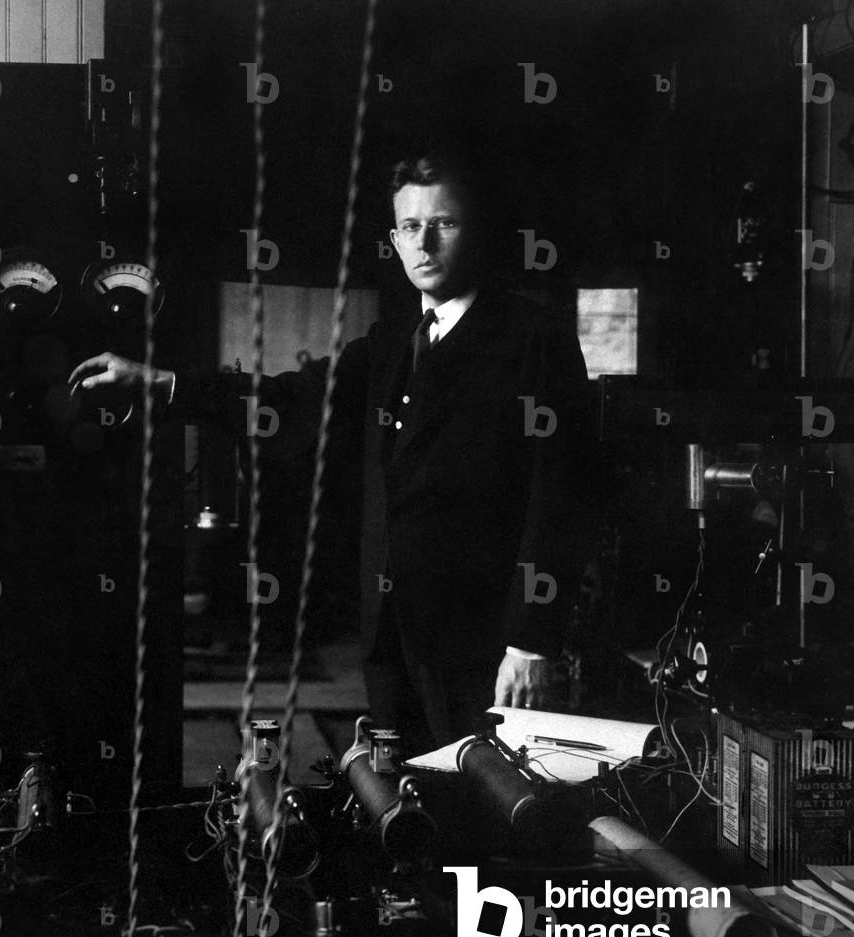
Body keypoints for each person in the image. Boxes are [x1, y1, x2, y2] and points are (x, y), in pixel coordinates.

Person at [69, 151, 597, 752]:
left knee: (481, 813)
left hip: (483, 641)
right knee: (408, 805)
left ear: (474, 231)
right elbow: (288, 400)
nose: (423, 242)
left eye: (444, 223)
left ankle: (466, 854)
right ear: (393, 239)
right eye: (408, 227)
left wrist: (530, 642)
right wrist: (163, 383)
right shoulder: (394, 340)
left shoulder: (535, 338)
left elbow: (564, 495)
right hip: (391, 638)